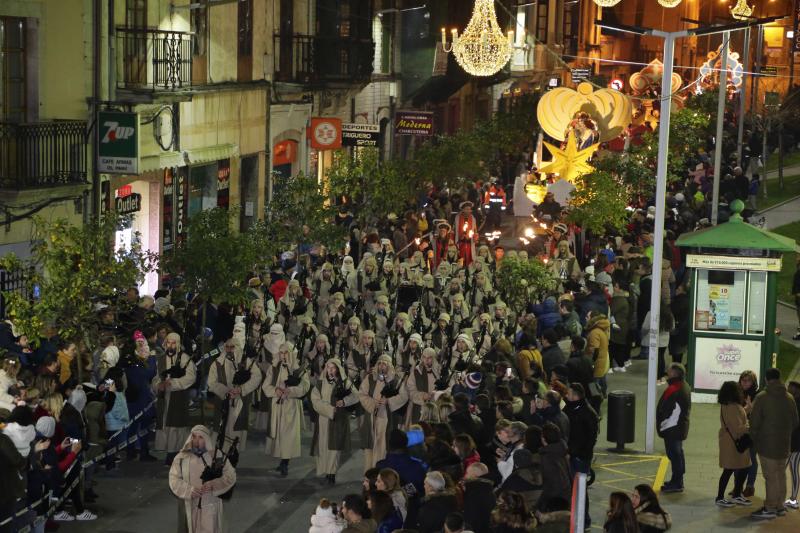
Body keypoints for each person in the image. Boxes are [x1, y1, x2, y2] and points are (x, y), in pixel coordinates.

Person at [750, 367, 800, 519]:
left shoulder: (762, 397)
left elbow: (754, 422)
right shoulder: (790, 398)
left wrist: (754, 437)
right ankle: (780, 506)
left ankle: (770, 508)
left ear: (766, 379)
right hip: (784, 444)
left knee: (771, 477)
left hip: (767, 445)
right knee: (780, 475)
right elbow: (795, 421)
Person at [168, 424, 236, 533]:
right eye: (194, 436)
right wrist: (188, 490)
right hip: (190, 507)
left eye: (200, 437)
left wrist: (214, 484)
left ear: (206, 439)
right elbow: (173, 479)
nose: (196, 440)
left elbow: (230, 475)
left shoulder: (217, 456)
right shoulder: (182, 458)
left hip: (211, 507)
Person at [262, 343, 310, 476]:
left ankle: (285, 462)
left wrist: (290, 391)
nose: (283, 355)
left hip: (291, 406)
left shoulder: (298, 368)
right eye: (281, 352)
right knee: (278, 435)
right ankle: (282, 460)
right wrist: (275, 390)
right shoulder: (274, 367)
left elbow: (305, 386)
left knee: (288, 435)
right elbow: (266, 386)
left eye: (286, 353)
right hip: (277, 406)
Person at [207, 338, 263, 452]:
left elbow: (257, 377)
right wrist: (226, 391)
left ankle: (232, 454)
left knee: (235, 429)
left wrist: (241, 389)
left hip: (240, 400)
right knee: (220, 428)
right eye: (226, 347)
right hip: (223, 401)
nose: (229, 350)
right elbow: (211, 382)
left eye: (232, 347)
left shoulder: (245, 362)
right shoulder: (217, 363)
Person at [310, 359, 359, 484]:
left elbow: (356, 395)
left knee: (334, 446)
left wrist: (344, 401)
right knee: (323, 444)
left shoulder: (344, 382)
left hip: (338, 420)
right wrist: (329, 409)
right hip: (323, 418)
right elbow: (315, 399)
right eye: (328, 367)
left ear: (337, 369)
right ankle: (323, 469)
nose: (330, 370)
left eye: (333, 368)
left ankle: (331, 472)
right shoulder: (320, 383)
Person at [359, 354, 409, 470]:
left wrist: (389, 401)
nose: (382, 366)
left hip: (386, 418)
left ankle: (380, 472)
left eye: (384, 364)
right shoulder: (370, 378)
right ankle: (369, 472)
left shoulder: (396, 380)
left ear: (389, 366)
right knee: (370, 445)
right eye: (380, 363)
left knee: (383, 445)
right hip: (371, 417)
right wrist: (372, 404)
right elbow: (362, 394)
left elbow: (404, 396)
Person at [154, 332, 197, 464]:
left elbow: (191, 377)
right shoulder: (160, 359)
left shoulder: (184, 358)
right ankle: (167, 450)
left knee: (175, 426)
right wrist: (158, 385)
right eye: (168, 342)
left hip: (178, 396)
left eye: (174, 343)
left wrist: (172, 384)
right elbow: (156, 377)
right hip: (163, 398)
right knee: (165, 424)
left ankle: (174, 453)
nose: (171, 345)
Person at [714, 381, 751, 507]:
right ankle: (720, 497)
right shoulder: (732, 406)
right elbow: (738, 429)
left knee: (743, 467)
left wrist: (747, 409)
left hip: (731, 442)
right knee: (729, 469)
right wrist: (750, 426)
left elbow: (736, 418)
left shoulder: (728, 404)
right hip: (733, 443)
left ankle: (736, 494)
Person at [656, 363, 691, 493]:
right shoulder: (684, 386)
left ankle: (676, 483)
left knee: (674, 454)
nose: (667, 372)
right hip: (680, 426)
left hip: (672, 427)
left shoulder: (674, 389)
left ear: (674, 374)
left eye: (669, 371)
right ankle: (678, 480)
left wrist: (662, 424)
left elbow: (666, 410)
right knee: (678, 453)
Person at [462, 462, 496, 533]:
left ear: (474, 476)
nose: (465, 476)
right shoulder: (489, 490)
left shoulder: (473, 493)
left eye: (467, 473)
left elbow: (469, 519)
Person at [787, 381, 800, 510]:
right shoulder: (794, 401)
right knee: (793, 470)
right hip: (793, 443)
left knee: (793, 470)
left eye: (790, 387)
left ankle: (793, 499)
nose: (788, 389)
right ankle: (792, 499)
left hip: (794, 444)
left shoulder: (796, 403)